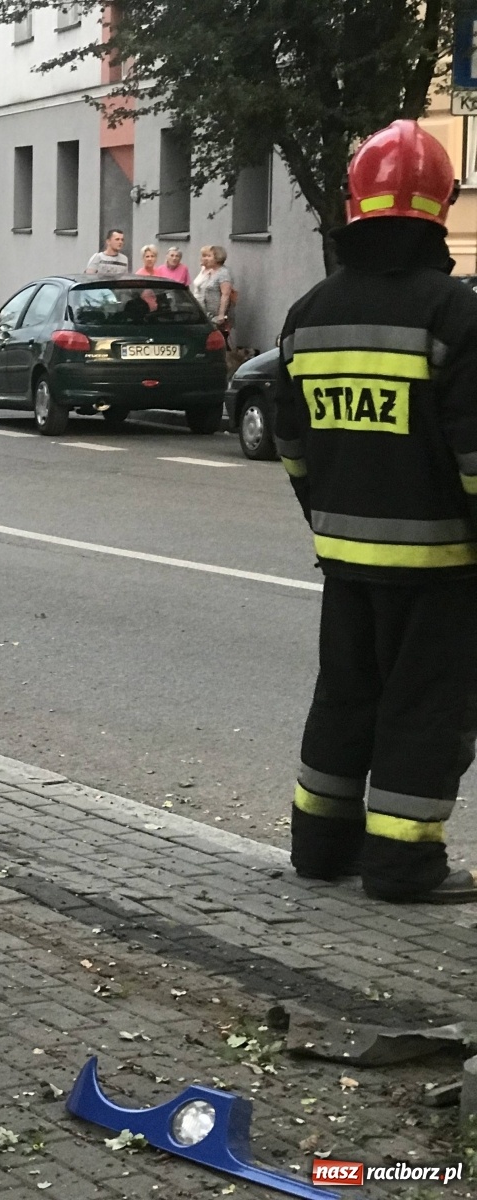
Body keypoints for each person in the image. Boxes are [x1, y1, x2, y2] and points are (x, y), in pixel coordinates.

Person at [273, 118, 477, 904]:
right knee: (425, 712)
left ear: (355, 205)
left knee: (345, 697)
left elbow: (293, 447)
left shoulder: (308, 314)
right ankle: (402, 865)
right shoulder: (453, 316)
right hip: (442, 569)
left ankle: (321, 848)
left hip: (347, 559)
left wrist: (329, 517)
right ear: (443, 204)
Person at [193, 245, 235, 341]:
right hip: (204, 312)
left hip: (215, 316)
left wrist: (221, 314)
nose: (207, 259)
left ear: (217, 258)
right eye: (205, 256)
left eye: (209, 256)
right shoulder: (208, 270)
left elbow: (225, 295)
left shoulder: (223, 273)